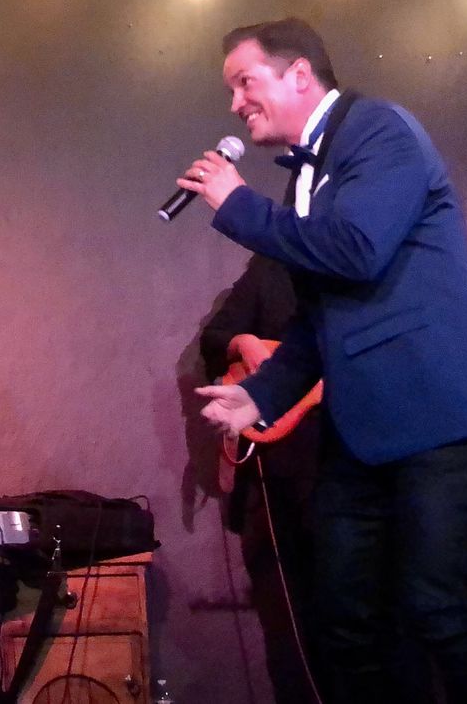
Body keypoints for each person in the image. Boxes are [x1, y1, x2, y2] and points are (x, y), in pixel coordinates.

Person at [183, 19, 467, 703]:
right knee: (344, 622)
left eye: (244, 82)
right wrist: (261, 395)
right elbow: (325, 315)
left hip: (444, 418)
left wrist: (238, 205)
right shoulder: (306, 177)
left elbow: (356, 250)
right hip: (366, 432)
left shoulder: (379, 130)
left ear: (299, 75)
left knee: (438, 609)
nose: (235, 104)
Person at [199, 254, 325, 704]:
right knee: (288, 621)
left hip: (350, 470)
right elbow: (216, 338)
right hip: (279, 473)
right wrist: (245, 341)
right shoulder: (272, 271)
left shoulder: (367, 275)